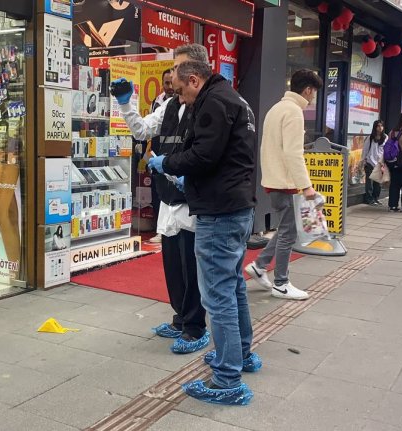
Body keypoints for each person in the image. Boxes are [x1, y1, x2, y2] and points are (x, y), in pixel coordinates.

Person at [147, 52, 259, 405]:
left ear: (194, 80)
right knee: (234, 285)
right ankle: (240, 355)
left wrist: (170, 164)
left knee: (218, 294)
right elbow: (222, 156)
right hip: (235, 204)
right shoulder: (232, 98)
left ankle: (227, 378)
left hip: (219, 210)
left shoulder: (213, 102)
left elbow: (204, 155)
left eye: (180, 91)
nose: (179, 98)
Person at [112, 46, 209, 355]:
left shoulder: (207, 106)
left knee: (192, 268)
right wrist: (125, 105)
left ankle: (196, 328)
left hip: (193, 201)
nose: (172, 76)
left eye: (178, 68)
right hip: (167, 199)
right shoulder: (168, 106)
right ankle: (180, 319)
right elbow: (141, 130)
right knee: (173, 266)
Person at [245, 70, 323, 301]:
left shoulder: (276, 108)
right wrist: (307, 187)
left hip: (274, 180)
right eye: (314, 92)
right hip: (285, 182)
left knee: (285, 229)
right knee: (289, 232)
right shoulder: (294, 112)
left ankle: (260, 266)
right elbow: (293, 153)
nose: (314, 97)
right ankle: (281, 282)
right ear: (308, 89)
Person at [148, 68, 176, 244]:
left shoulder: (183, 102)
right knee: (158, 192)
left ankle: (170, 229)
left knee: (172, 190)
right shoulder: (156, 102)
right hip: (157, 151)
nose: (170, 86)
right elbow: (148, 128)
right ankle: (160, 229)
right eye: (166, 83)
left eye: (172, 82)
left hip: (173, 154)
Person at [360, 120, 386, 206]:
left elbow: (385, 150)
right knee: (369, 183)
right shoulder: (370, 138)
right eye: (378, 126)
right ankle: (369, 199)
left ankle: (376, 198)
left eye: (381, 126)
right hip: (370, 162)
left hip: (380, 163)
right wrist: (363, 161)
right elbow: (365, 150)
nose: (380, 128)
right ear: (375, 127)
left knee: (378, 184)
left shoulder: (385, 137)